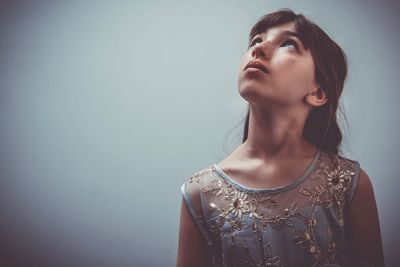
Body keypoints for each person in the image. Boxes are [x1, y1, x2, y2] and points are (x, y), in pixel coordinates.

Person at [176, 8, 385, 267]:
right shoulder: (200, 193)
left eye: (288, 43)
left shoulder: (348, 185)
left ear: (317, 92)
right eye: (256, 40)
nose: (259, 49)